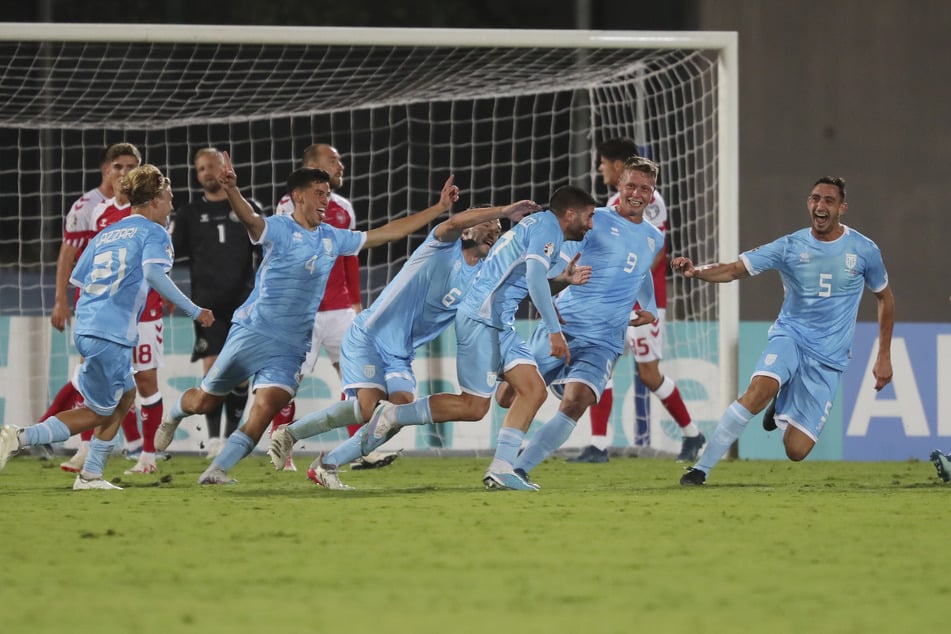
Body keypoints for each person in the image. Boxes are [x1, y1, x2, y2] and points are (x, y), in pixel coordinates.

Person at [153, 156, 460, 485]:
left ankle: (217, 470)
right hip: (254, 331)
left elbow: (385, 234)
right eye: (318, 193)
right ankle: (173, 415)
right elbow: (252, 222)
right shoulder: (282, 228)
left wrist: (438, 208)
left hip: (291, 346)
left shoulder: (332, 237)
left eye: (327, 193)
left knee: (265, 409)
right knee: (205, 400)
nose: (325, 200)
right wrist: (232, 191)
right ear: (298, 197)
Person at [268, 200, 541, 489]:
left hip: (400, 353)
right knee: (368, 408)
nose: (494, 232)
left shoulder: (483, 276)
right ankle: (296, 437)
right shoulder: (442, 245)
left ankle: (323, 461)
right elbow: (452, 222)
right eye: (488, 225)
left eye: (499, 230)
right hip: (370, 337)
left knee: (395, 413)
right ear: (466, 230)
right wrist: (502, 211)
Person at [356, 185, 596, 491]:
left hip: (498, 322)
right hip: (482, 319)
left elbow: (527, 280)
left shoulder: (539, 227)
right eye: (588, 217)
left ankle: (501, 468)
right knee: (474, 407)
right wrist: (554, 330)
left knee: (534, 390)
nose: (590, 224)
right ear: (570, 214)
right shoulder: (547, 226)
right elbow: (534, 279)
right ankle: (393, 414)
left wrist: (562, 280)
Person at [0, 165, 214, 489]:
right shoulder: (154, 233)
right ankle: (20, 436)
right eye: (169, 198)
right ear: (155, 199)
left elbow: (80, 278)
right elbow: (155, 276)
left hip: (88, 326)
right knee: (98, 412)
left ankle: (91, 474)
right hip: (110, 334)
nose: (172, 205)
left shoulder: (107, 232)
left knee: (127, 393)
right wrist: (194, 310)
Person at [674, 176, 894, 486]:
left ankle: (782, 398)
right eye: (815, 198)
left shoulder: (864, 250)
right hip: (791, 337)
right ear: (809, 203)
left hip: (828, 358)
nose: (820, 205)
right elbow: (735, 269)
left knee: (796, 450)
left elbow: (885, 297)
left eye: (829, 200)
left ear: (842, 207)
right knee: (757, 391)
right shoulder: (790, 246)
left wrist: (884, 355)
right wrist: (697, 272)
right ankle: (701, 469)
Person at [495, 157, 662, 477]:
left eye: (645, 188)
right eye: (631, 185)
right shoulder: (593, 219)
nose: (637, 193)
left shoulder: (654, 237)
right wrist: (567, 272)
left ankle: (518, 470)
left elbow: (640, 269)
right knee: (507, 396)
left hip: (606, 338)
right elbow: (559, 259)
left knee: (577, 401)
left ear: (652, 194)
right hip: (567, 322)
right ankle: (506, 453)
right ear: (619, 186)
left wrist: (650, 307)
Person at [572, 137, 703, 463]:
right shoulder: (614, 202)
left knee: (648, 374)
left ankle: (692, 433)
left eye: (602, 162)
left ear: (616, 165)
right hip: (616, 302)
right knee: (603, 364)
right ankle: (599, 444)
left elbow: (654, 252)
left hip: (646, 301)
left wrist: (631, 291)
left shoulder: (650, 200)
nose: (599, 168)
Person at [45, 143, 152, 473]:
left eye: (131, 166)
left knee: (129, 382)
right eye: (118, 167)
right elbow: (70, 255)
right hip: (97, 307)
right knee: (93, 377)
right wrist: (61, 299)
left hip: (133, 308)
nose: (124, 173)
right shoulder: (88, 208)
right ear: (107, 170)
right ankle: (80, 446)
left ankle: (135, 448)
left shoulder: (144, 207)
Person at [269, 143, 367, 471]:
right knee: (287, 385)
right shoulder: (286, 207)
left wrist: (355, 301)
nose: (341, 165)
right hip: (304, 311)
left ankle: (358, 450)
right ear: (314, 166)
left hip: (340, 309)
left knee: (358, 380)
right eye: (333, 161)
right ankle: (281, 447)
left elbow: (350, 257)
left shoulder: (344, 208)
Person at [171, 147, 260, 460]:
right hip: (207, 306)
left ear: (225, 168)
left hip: (245, 306)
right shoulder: (188, 214)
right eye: (200, 169)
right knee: (213, 369)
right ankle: (212, 441)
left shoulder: (250, 209)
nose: (206, 174)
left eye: (210, 167)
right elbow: (168, 255)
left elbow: (266, 253)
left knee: (242, 374)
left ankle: (233, 434)